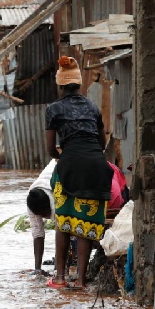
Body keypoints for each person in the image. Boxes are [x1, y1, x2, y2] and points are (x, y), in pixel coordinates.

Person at [45, 56, 113, 290]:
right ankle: (82, 281)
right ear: (78, 83)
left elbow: (50, 149)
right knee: (86, 225)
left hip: (70, 165)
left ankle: (61, 278)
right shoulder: (93, 107)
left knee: (63, 223)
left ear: (60, 85)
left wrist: (66, 156)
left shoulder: (53, 109)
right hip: (97, 165)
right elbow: (103, 143)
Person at [26, 159, 57, 275]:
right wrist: (37, 269)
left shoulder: (56, 199)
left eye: (45, 214)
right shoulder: (32, 202)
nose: (46, 217)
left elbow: (63, 231)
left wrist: (58, 270)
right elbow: (37, 234)